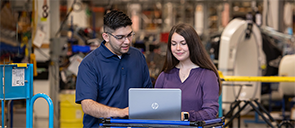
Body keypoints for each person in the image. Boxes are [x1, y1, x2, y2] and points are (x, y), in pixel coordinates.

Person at [75, 10, 153, 128]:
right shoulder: (90, 64)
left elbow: (148, 94)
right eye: (120, 37)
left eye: (129, 35)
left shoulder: (138, 57)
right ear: (106, 36)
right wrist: (120, 112)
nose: (127, 41)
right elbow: (87, 105)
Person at [154, 23, 221, 121]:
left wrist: (186, 116)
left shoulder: (207, 75)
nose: (178, 48)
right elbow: (154, 108)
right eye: (174, 44)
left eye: (183, 43)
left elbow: (211, 112)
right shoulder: (164, 76)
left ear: (192, 44)